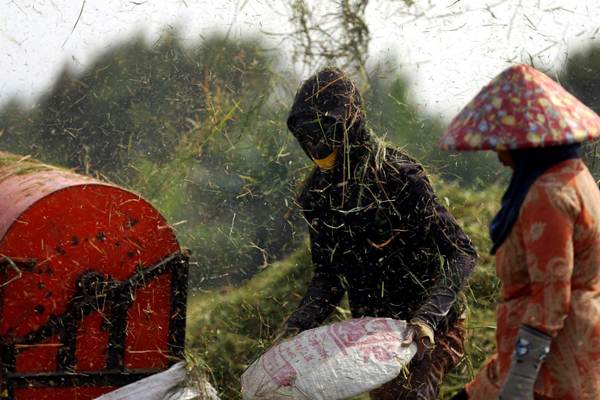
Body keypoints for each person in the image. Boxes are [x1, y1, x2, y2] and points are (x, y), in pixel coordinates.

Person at [279, 67, 477, 399]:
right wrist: (298, 325)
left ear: (349, 125)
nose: (316, 145)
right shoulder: (317, 196)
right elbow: (329, 275)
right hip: (376, 337)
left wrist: (427, 318)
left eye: (324, 132)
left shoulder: (399, 178)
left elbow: (462, 252)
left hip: (434, 325)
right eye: (307, 135)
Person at [440, 64, 600, 400]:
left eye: (503, 143)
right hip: (549, 351)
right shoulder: (577, 176)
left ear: (527, 145)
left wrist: (521, 378)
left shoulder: (549, 195)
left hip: (550, 370)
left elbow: (551, 296)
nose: (499, 154)